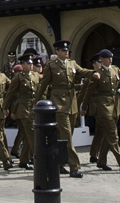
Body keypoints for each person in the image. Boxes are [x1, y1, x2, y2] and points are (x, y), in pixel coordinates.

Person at [34, 40, 86, 177]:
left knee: (62, 136)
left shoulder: (72, 64)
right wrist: (36, 103)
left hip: (72, 105)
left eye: (67, 50)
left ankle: (59, 164)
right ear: (57, 52)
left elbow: (83, 71)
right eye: (63, 50)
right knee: (67, 137)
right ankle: (74, 167)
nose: (66, 52)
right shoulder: (51, 66)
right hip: (59, 104)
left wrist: (95, 73)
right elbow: (43, 85)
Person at [4, 51, 39, 170]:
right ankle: (37, 158)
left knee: (28, 136)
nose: (31, 65)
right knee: (32, 134)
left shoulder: (35, 75)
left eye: (32, 63)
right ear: (23, 65)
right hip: (24, 110)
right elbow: (10, 94)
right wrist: (5, 108)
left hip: (34, 108)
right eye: (28, 64)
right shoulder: (18, 78)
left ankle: (24, 161)